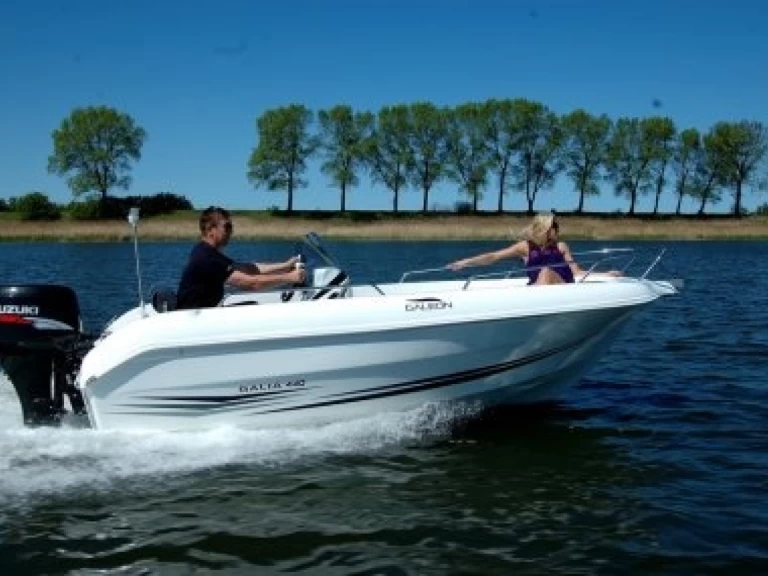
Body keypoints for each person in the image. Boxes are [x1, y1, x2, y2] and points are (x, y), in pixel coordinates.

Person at [176, 206, 306, 309]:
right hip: (195, 320)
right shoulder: (207, 259)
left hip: (204, 314)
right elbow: (252, 284)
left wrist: (285, 265)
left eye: (231, 227)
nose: (231, 232)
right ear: (210, 229)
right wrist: (290, 277)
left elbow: (249, 268)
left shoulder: (206, 251)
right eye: (227, 227)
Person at [447, 212, 621, 285]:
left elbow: (576, 272)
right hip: (538, 289)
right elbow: (494, 256)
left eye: (557, 227)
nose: (557, 230)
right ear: (544, 228)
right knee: (544, 273)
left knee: (546, 271)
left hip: (563, 288)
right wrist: (466, 262)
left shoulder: (561, 246)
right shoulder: (525, 247)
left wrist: (605, 274)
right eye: (554, 227)